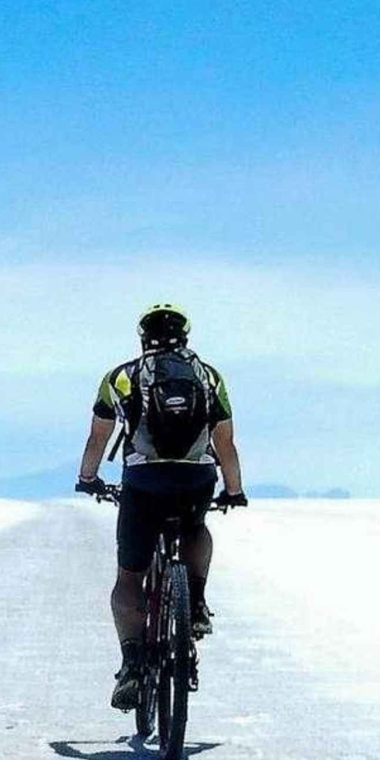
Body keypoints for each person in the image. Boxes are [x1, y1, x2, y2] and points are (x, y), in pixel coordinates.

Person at [75, 304, 247, 711]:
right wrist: (234, 490)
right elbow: (224, 442)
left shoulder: (121, 377)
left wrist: (88, 479)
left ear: (142, 338)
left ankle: (133, 663)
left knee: (129, 578)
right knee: (196, 527)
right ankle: (197, 601)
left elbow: (98, 438)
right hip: (196, 478)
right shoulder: (209, 376)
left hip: (143, 481)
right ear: (185, 337)